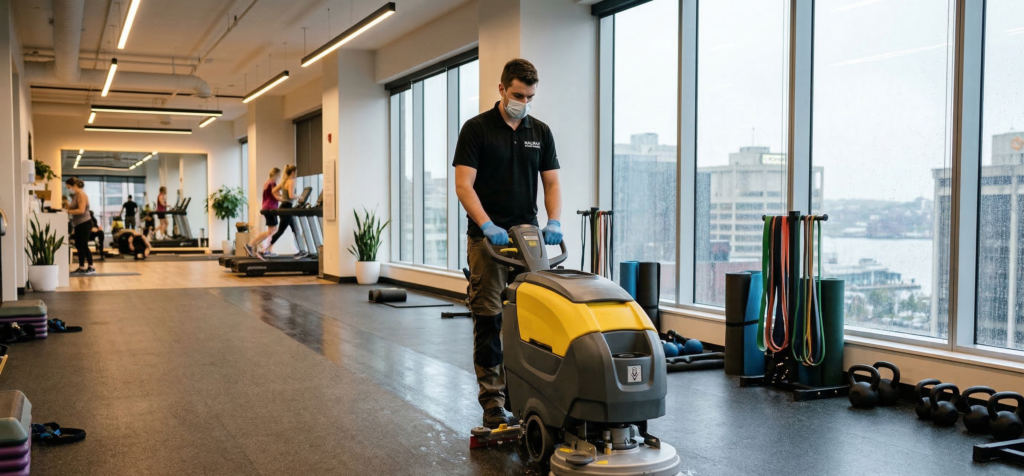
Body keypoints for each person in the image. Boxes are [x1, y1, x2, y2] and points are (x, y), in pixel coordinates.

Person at [452, 58, 563, 429]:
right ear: (502, 89)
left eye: (530, 96)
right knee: (489, 320)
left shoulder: (541, 132)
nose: (524, 102)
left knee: (534, 321)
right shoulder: (476, 129)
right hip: (489, 242)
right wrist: (486, 224)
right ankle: (493, 402)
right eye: (518, 95)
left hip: (528, 241)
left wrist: (555, 220)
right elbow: (464, 185)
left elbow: (551, 183)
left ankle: (531, 394)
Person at [245, 167, 285, 261]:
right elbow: (276, 196)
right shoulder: (272, 183)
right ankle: (264, 249)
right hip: (271, 209)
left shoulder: (267, 182)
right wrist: (288, 199)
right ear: (275, 175)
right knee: (273, 231)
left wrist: (284, 196)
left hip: (266, 208)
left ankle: (254, 245)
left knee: (271, 231)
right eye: (278, 175)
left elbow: (276, 194)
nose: (279, 177)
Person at [267, 165, 300, 258]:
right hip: (287, 208)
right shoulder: (291, 181)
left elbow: (273, 191)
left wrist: (281, 198)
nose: (296, 174)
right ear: (293, 172)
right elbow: (291, 196)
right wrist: (299, 196)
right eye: (296, 172)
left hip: (284, 207)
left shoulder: (284, 181)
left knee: (295, 229)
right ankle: (264, 248)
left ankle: (298, 251)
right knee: (280, 231)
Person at [66, 178, 96, 275]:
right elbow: (72, 207)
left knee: (83, 245)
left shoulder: (81, 195)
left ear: (73, 185)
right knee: (79, 245)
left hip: (84, 223)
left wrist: (68, 211)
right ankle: (82, 267)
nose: (68, 189)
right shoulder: (76, 195)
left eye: (69, 187)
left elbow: (81, 210)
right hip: (78, 223)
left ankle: (91, 267)